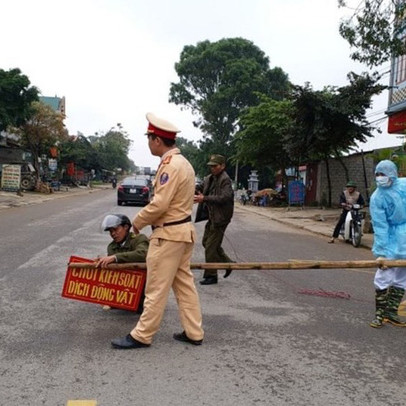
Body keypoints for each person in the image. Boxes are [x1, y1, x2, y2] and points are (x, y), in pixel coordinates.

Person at [111, 112, 204, 349]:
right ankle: (194, 332)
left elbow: (160, 204)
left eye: (149, 138)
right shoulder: (185, 163)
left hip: (169, 236)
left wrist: (137, 221)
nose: (148, 143)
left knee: (155, 288)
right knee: (184, 285)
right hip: (183, 233)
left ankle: (142, 335)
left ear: (157, 140)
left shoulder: (169, 167)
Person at [369, 160, 406, 328]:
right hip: (390, 240)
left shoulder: (404, 185)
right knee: (384, 276)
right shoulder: (377, 197)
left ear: (393, 173)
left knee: (402, 277)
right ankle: (380, 314)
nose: (380, 178)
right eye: (377, 174)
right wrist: (381, 253)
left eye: (383, 174)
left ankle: (391, 312)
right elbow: (380, 226)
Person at [96, 214, 149, 313]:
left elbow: (143, 254)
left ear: (126, 227)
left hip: (143, 288)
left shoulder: (139, 239)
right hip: (124, 288)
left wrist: (115, 257)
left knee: (142, 307)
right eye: (111, 231)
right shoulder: (112, 247)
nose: (113, 234)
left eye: (115, 230)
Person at [194, 154, 234, 285]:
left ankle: (211, 275)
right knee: (207, 243)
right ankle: (228, 263)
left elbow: (225, 197)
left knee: (210, 247)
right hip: (212, 217)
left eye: (215, 166)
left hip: (220, 218)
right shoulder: (210, 178)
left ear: (222, 166)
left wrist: (204, 198)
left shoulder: (225, 180)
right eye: (211, 166)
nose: (213, 168)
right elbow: (200, 187)